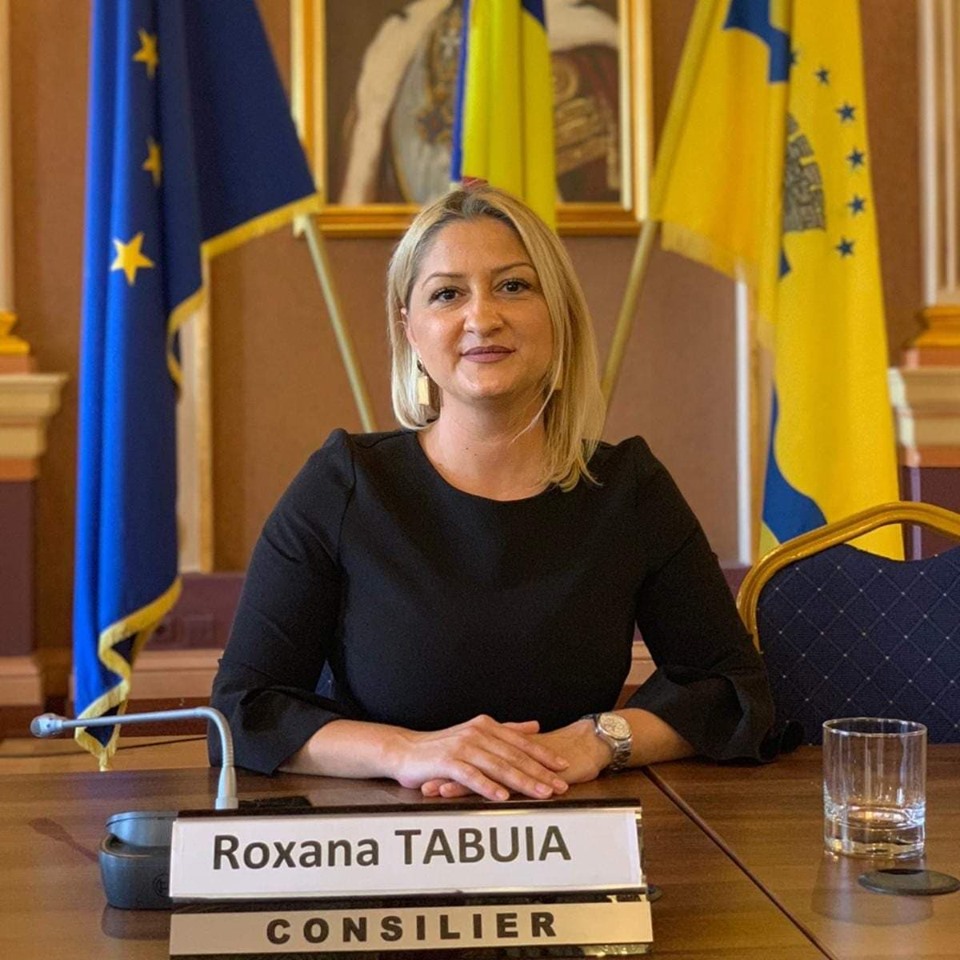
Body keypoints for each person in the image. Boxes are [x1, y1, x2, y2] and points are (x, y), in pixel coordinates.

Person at [210, 184, 776, 802]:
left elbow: (730, 689)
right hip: (381, 834)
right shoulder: (343, 483)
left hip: (572, 822)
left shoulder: (629, 488)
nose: (482, 318)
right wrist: (406, 751)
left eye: (513, 286)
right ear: (410, 330)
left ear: (558, 314)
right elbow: (243, 710)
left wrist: (598, 740)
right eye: (447, 294)